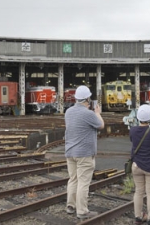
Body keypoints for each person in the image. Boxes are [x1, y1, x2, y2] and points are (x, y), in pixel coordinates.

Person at [64, 85, 105, 219]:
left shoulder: (68, 112)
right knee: (83, 182)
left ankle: (70, 206)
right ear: (87, 99)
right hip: (84, 154)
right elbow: (101, 125)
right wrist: (97, 113)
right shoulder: (89, 114)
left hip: (70, 152)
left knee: (73, 179)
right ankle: (82, 211)